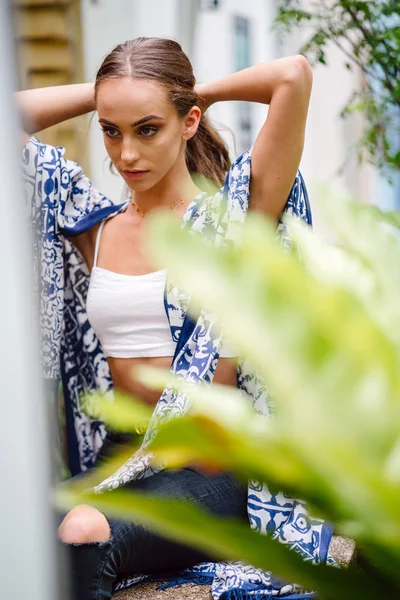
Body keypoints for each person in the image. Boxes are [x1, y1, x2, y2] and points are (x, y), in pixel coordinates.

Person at [19, 37, 327, 600]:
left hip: (210, 470)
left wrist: (186, 92)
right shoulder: (98, 226)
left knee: (83, 531)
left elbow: (293, 76)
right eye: (111, 131)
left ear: (189, 122)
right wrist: (108, 97)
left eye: (147, 128)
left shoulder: (235, 216)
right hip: (119, 456)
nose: (126, 154)